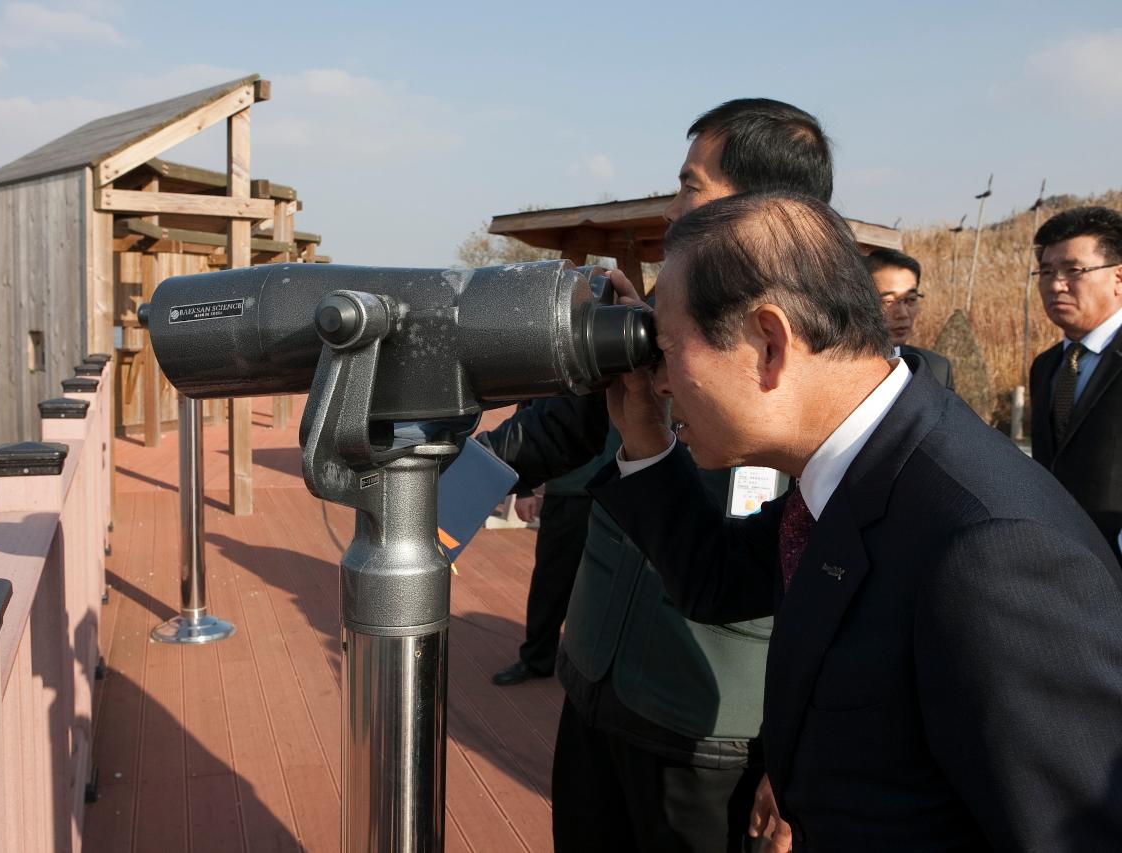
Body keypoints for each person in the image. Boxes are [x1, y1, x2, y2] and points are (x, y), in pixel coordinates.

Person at [591, 189, 1122, 850]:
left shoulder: (990, 552)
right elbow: (717, 578)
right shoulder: (858, 472)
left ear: (768, 341)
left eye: (668, 349)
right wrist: (643, 436)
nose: (661, 380)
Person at [476, 98, 832, 852]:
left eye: (691, 188)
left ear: (764, 208)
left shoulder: (826, 359)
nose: (672, 212)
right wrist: (434, 490)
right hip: (596, 685)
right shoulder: (654, 318)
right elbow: (550, 432)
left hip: (712, 729)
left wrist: (795, 770)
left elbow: (841, 595)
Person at [1029, 206, 1122, 561]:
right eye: (1047, 271)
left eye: (1074, 271)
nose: (1056, 284)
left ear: (1118, 277)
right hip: (1059, 560)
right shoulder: (1047, 366)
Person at [491, 459, 596, 686]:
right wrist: (523, 488)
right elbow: (535, 431)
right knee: (551, 580)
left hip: (628, 493)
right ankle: (537, 659)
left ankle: (598, 671)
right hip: (569, 493)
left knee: (613, 588)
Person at [863, 247, 954, 389]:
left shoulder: (937, 370)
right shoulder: (834, 370)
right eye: (888, 301)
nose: (903, 314)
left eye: (911, 299)